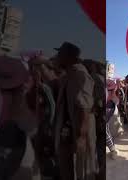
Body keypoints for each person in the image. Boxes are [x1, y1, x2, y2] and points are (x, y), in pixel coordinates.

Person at [34, 42, 97, 180]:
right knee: (68, 169)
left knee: (79, 171)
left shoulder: (80, 75)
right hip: (68, 133)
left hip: (77, 133)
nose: (57, 57)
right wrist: (42, 66)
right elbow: (55, 83)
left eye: (59, 54)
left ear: (68, 57)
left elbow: (84, 109)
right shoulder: (71, 74)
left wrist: (81, 136)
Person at [106, 79, 120, 160]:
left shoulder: (109, 83)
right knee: (107, 129)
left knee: (106, 131)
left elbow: (114, 98)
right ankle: (113, 148)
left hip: (109, 107)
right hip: (110, 106)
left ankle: (113, 150)